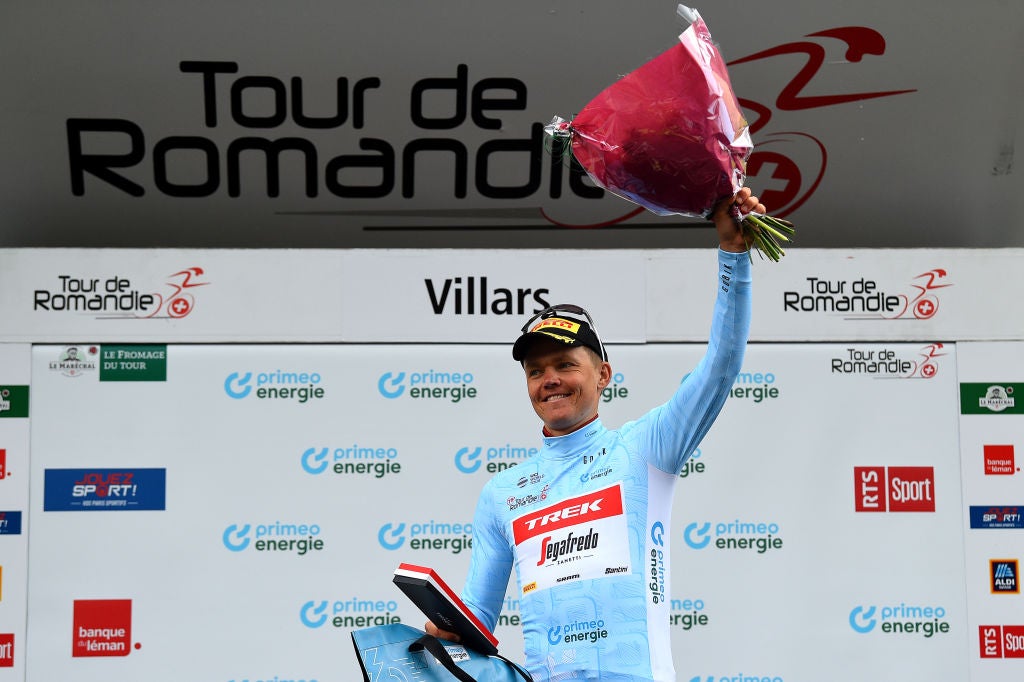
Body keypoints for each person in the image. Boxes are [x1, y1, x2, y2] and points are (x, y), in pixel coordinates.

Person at [427, 188, 765, 681]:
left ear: (604, 374)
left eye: (566, 363)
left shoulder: (645, 447)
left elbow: (720, 368)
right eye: (536, 370)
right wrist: (447, 633)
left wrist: (734, 256)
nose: (551, 380)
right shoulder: (501, 494)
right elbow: (477, 618)